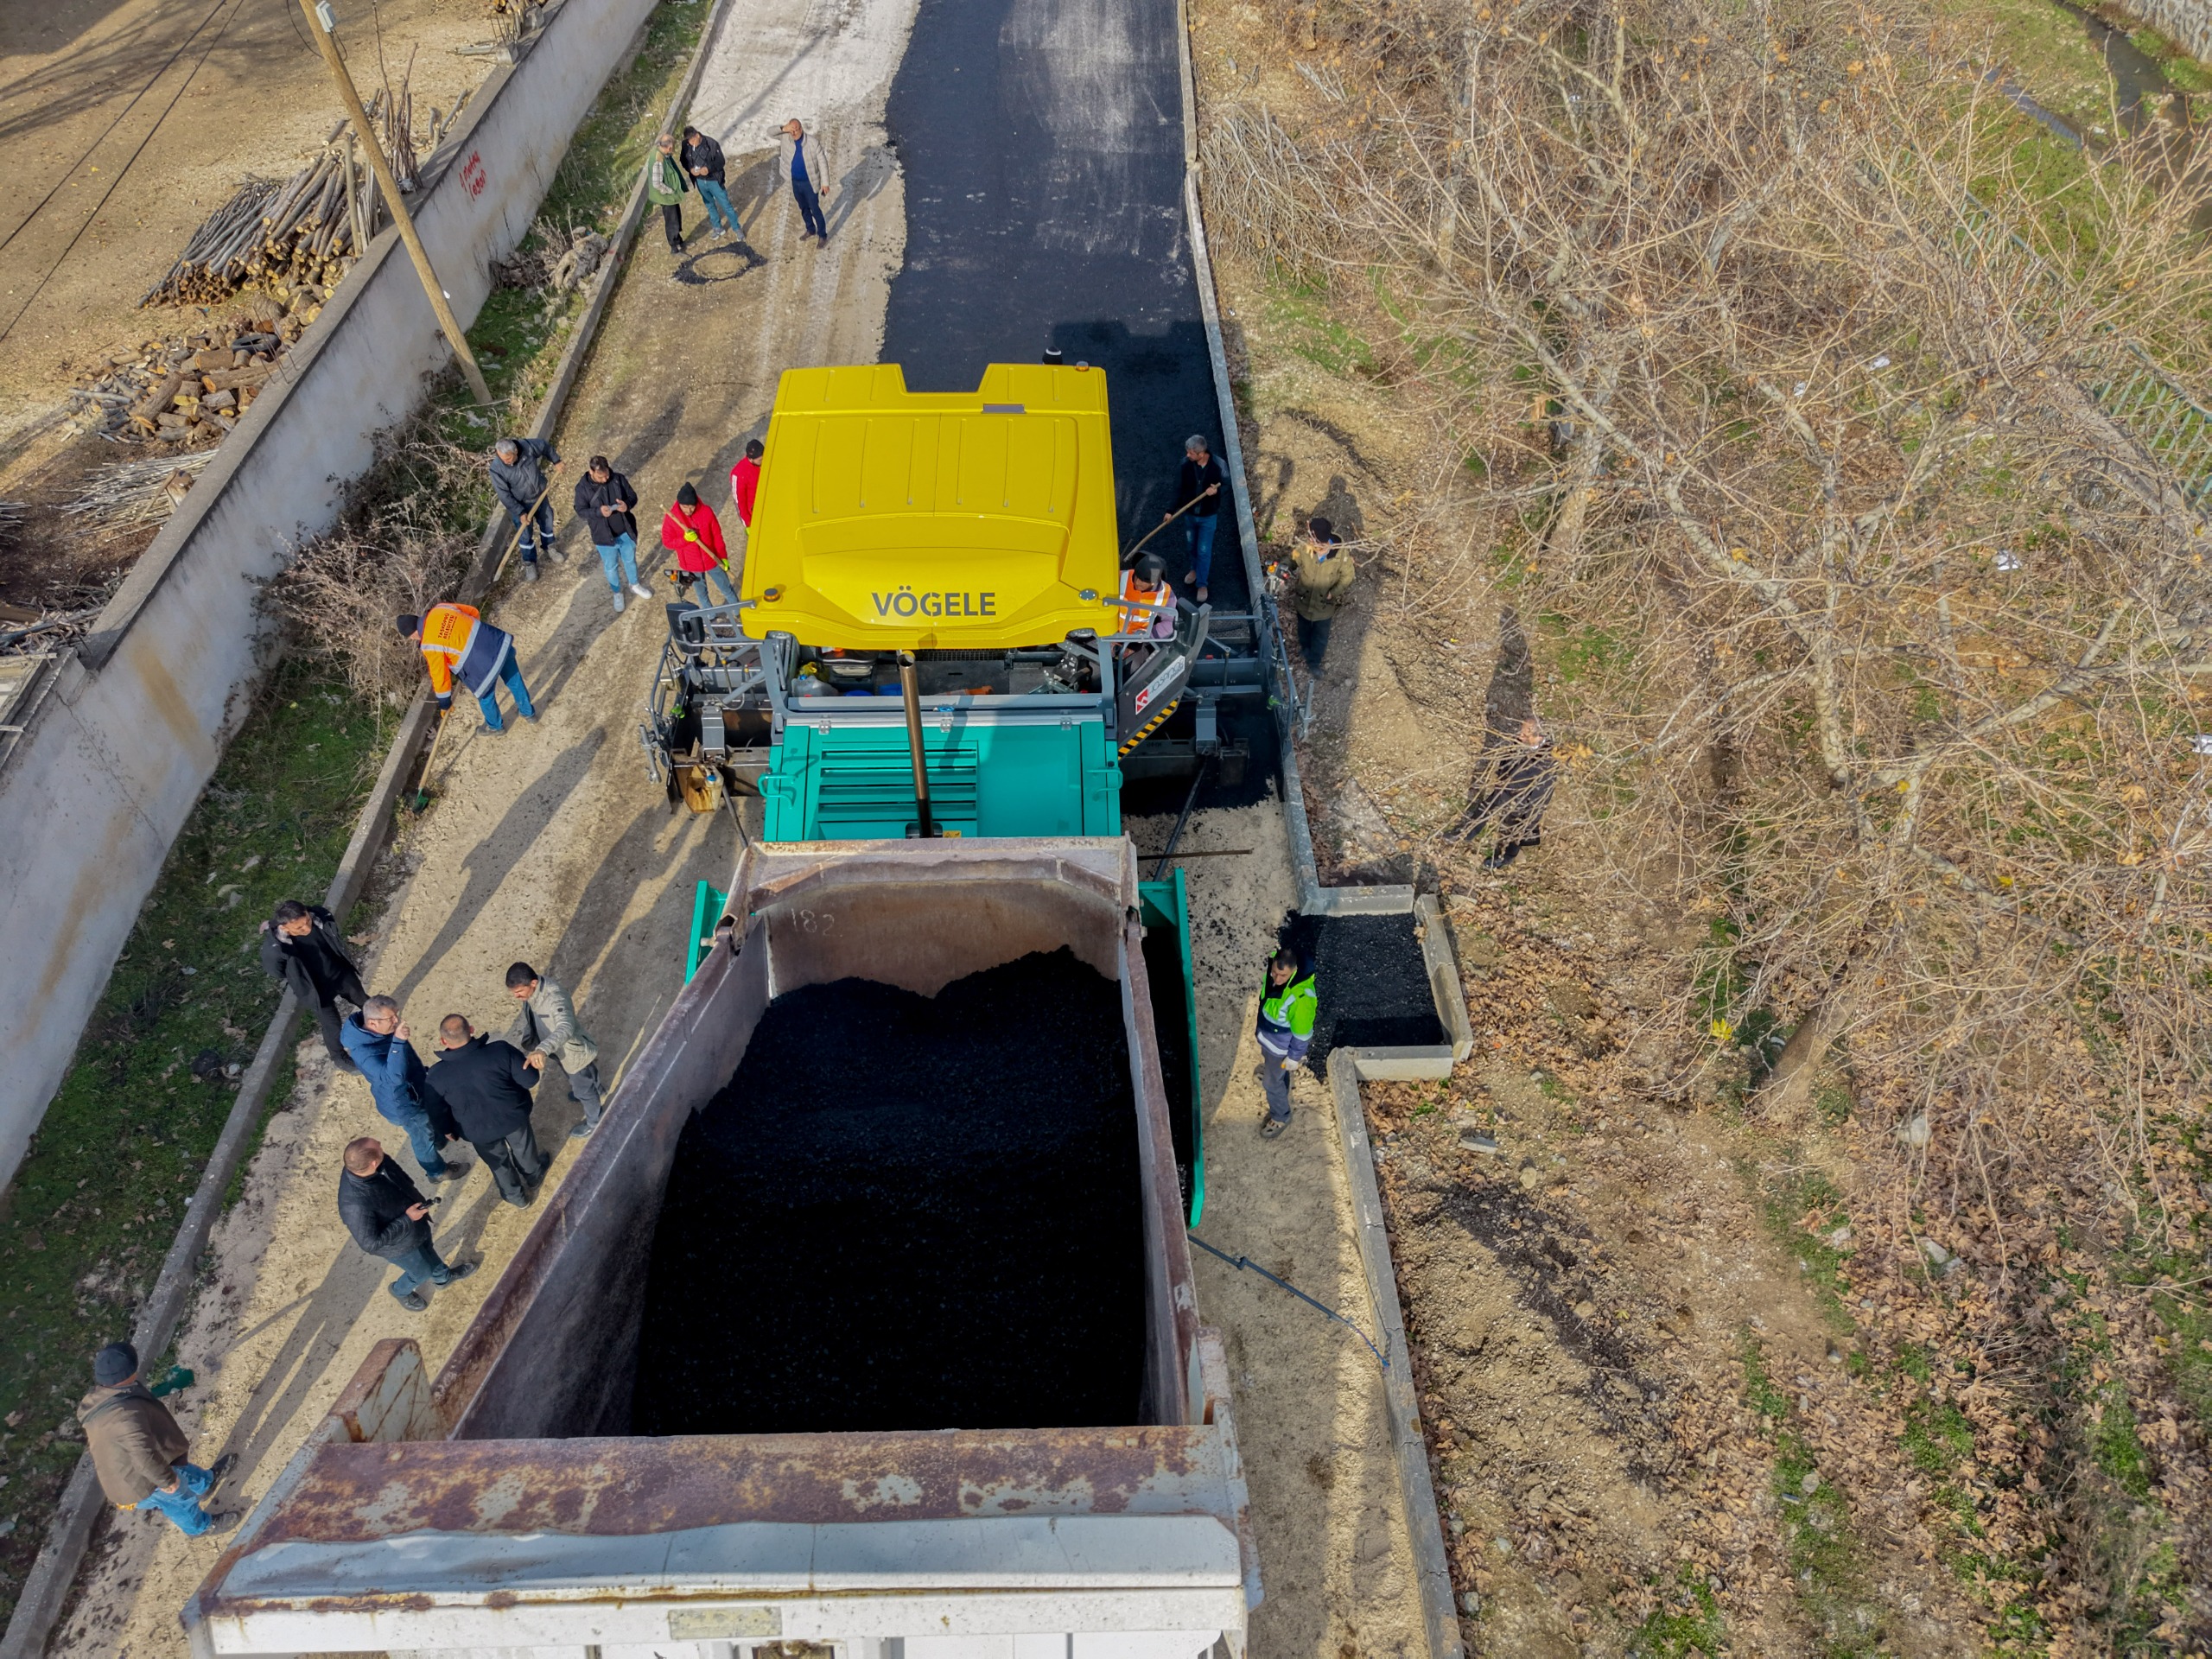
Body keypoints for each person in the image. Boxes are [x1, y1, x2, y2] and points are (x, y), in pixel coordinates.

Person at [79, 1343, 238, 1536]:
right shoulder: (125, 1417)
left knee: (182, 1473)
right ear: (130, 1371)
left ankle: (205, 1484)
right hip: (140, 1483)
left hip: (130, 1469)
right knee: (179, 1499)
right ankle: (199, 1528)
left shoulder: (104, 1397)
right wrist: (167, 1482)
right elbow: (143, 1457)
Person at [338, 1136, 476, 1311]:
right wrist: (408, 1219)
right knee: (421, 1272)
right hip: (399, 1246)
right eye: (379, 1147)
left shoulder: (366, 1164)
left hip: (414, 1225)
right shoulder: (354, 1204)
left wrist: (410, 1190)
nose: (382, 1146)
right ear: (373, 1164)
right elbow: (370, 1243)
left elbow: (395, 1173)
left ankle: (443, 1278)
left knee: (428, 1249)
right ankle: (400, 1291)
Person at [424, 1014, 546, 1208]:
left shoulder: (436, 1076)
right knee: (523, 1148)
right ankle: (533, 1176)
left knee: (499, 1163)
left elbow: (436, 1111)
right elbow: (529, 1080)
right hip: (513, 1117)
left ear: (443, 1041)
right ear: (471, 1030)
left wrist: (447, 1130)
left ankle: (516, 1197)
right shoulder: (500, 1050)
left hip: (478, 1131)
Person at [340, 995, 458, 1181]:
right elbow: (393, 1078)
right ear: (372, 1022)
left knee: (429, 1123)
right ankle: (437, 1172)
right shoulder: (364, 1053)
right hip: (404, 1106)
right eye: (391, 1019)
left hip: (415, 1090)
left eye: (396, 1015)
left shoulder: (380, 1032)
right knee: (422, 1140)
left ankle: (439, 1141)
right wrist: (398, 1043)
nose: (397, 1021)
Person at [259, 899, 366, 1071]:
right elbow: (276, 971)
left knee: (366, 1003)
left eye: (308, 921)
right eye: (299, 928)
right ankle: (339, 1057)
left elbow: (332, 935)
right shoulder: (276, 949)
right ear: (285, 928)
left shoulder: (320, 916)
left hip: (339, 973)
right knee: (332, 1025)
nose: (307, 929)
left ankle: (380, 1027)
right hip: (314, 989)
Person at [505, 962, 606, 1139]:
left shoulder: (555, 997)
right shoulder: (535, 991)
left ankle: (595, 1122)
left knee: (583, 1087)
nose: (516, 996)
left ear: (533, 984)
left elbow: (566, 1027)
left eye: (519, 992)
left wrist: (542, 1049)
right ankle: (598, 1088)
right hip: (557, 1049)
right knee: (583, 1076)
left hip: (571, 1052)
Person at [398, 604, 536, 734]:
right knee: (514, 679)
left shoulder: (429, 644)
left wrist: (445, 703)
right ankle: (528, 713)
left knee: (485, 695)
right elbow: (473, 612)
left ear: (412, 635)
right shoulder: (440, 609)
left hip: (481, 666)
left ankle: (495, 727)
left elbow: (440, 674)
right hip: (496, 643)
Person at [1451, 716, 1558, 872]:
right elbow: (1506, 758)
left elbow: (1542, 796)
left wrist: (1530, 818)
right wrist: (1501, 775)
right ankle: (1465, 834)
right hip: (1504, 788)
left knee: (1513, 832)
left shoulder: (1548, 761)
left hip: (1520, 800)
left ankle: (1505, 858)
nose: (1519, 736)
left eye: (1524, 734)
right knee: (1484, 809)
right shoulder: (1520, 742)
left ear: (1538, 737)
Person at [574, 454, 652, 614]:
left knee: (630, 560)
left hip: (625, 530)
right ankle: (617, 593)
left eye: (607, 475)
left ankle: (634, 584)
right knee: (611, 567)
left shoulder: (618, 479)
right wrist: (598, 511)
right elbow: (580, 511)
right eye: (601, 477)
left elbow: (632, 496)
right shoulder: (582, 488)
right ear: (591, 472)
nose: (605, 479)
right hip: (603, 537)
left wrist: (627, 505)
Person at [1255, 945, 1317, 1137]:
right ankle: (1279, 1077)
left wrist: (1293, 1057)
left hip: (1280, 1049)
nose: (1277, 979)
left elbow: (1302, 1034)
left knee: (1271, 1084)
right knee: (1273, 1070)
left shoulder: (1301, 999)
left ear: (1295, 970)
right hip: (1268, 1040)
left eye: (1282, 976)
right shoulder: (1275, 965)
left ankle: (1281, 1116)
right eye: (1274, 973)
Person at [488, 436, 562, 582]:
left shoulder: (527, 447)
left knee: (547, 524)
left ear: (515, 451)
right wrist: (520, 512)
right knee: (525, 536)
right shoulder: (497, 469)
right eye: (503, 459)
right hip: (520, 505)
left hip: (540, 496)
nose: (506, 462)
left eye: (508, 458)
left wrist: (556, 461)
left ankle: (550, 547)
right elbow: (504, 495)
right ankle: (530, 563)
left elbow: (544, 445)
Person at [1290, 516, 1356, 672]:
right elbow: (1294, 558)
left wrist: (1333, 593)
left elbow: (1348, 576)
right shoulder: (1305, 548)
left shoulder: (1340, 555)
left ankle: (1314, 663)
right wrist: (1285, 565)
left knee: (1320, 636)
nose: (1310, 543)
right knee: (1303, 629)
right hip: (1304, 600)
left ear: (1323, 542)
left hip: (1324, 606)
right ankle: (1305, 648)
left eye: (1314, 541)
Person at [1168, 435, 1224, 603]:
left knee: (1204, 550)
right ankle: (1194, 570)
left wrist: (1216, 492)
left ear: (1201, 454)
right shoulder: (1185, 465)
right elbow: (1178, 488)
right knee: (1192, 546)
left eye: (1191, 453)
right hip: (1190, 515)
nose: (1188, 455)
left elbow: (1227, 484)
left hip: (1208, 516)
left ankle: (1202, 583)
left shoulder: (1218, 465)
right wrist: (1170, 510)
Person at [662, 482, 736, 606]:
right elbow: (667, 542)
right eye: (685, 507)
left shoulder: (706, 512)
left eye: (692, 506)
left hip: (712, 558)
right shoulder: (672, 518)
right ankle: (710, 617)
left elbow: (717, 536)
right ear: (679, 504)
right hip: (691, 564)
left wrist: (723, 557)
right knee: (701, 593)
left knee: (726, 588)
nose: (689, 510)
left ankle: (738, 611)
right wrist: (685, 540)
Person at [681, 124, 740, 242]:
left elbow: (721, 161)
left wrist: (709, 169)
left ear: (697, 135)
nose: (691, 143)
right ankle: (718, 228)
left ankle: (737, 229)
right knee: (710, 205)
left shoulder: (711, 144)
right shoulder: (686, 145)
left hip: (714, 180)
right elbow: (683, 160)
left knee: (726, 205)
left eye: (693, 140)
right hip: (700, 182)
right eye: (689, 141)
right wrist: (690, 169)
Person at [779, 118, 830, 247]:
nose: (795, 132)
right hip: (795, 183)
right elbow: (770, 132)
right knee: (803, 208)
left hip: (809, 183)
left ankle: (822, 235)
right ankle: (810, 229)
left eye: (796, 129)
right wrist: (783, 129)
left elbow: (823, 163)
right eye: (792, 130)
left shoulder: (813, 143)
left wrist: (825, 183)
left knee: (815, 209)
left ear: (801, 128)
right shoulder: (786, 138)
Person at [646, 132, 691, 257]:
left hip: (669, 195)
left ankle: (679, 241)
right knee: (672, 221)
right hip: (666, 196)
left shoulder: (661, 152)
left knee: (677, 217)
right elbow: (657, 183)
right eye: (672, 148)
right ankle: (674, 248)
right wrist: (670, 191)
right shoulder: (658, 160)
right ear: (669, 148)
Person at [1118, 552, 1176, 640]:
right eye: (1136, 576)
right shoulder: (1120, 577)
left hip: (1138, 640)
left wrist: (1147, 637)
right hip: (1111, 632)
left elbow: (1169, 623)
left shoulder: (1166, 594)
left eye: (1142, 581)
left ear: (1154, 582)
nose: (1137, 582)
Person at [729, 437, 763, 577]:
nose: (762, 461)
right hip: (756, 513)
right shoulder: (738, 473)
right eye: (760, 460)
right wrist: (747, 524)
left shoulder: (765, 462)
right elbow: (739, 502)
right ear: (751, 458)